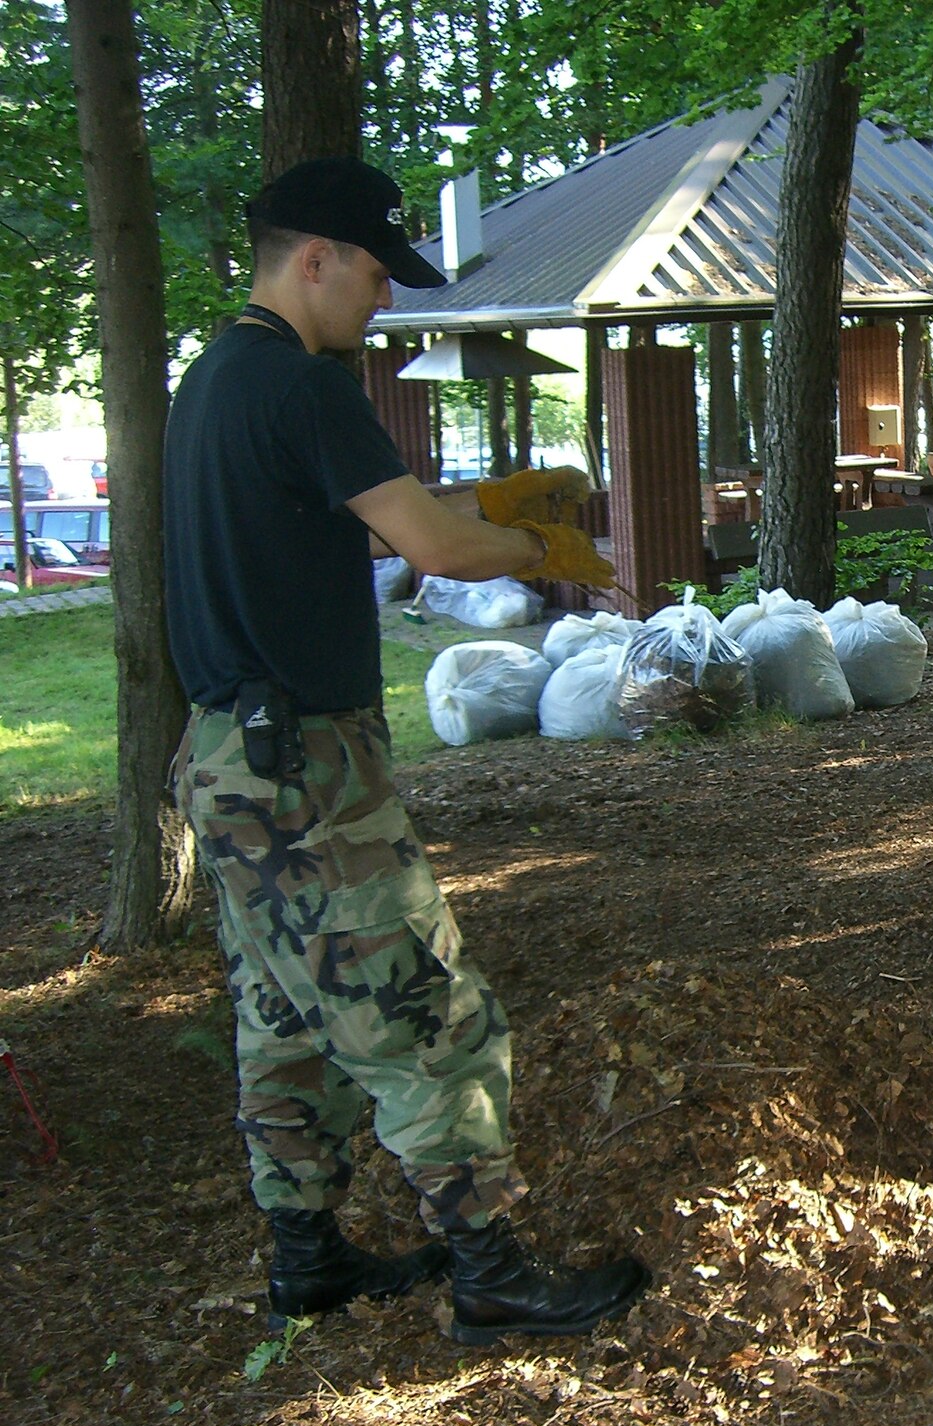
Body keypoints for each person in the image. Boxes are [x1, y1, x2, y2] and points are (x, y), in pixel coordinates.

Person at [165, 156, 649, 1345]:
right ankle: (490, 1270)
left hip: (230, 760)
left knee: (286, 1018)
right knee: (423, 1013)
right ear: (315, 257)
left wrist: (486, 503)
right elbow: (429, 543)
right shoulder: (305, 384)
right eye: (378, 274)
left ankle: (308, 1256)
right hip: (306, 773)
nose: (384, 301)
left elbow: (384, 510)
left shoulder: (213, 380)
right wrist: (544, 548)